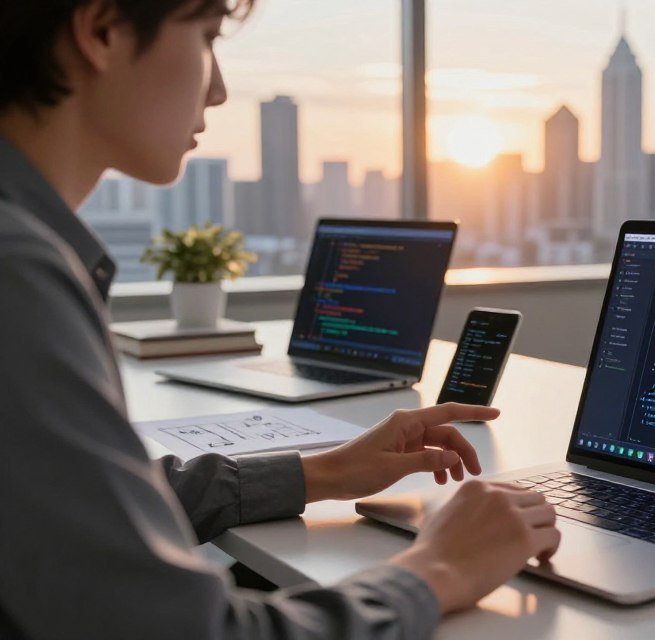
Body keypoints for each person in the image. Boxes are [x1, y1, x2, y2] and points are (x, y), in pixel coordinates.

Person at [0, 1, 560, 638]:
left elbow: (77, 507)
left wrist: (323, 472)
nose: (218, 89)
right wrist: (439, 568)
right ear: (101, 31)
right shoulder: (16, 275)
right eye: (207, 38)